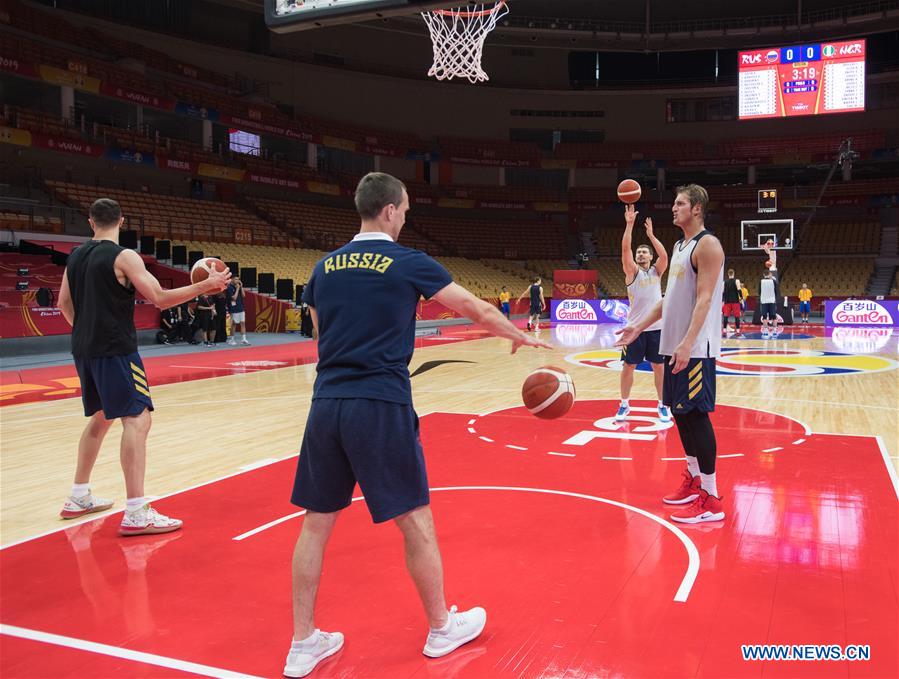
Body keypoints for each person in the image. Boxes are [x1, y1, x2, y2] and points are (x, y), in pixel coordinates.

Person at [284, 173, 551, 678]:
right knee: (415, 519)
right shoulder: (406, 261)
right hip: (379, 403)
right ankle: (440, 627)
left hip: (326, 403)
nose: (406, 217)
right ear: (388, 210)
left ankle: (302, 644)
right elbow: (471, 306)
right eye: (404, 209)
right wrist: (516, 334)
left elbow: (321, 331)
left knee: (315, 524)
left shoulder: (323, 266)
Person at [57, 198, 230, 535]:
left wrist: (85, 332)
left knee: (102, 416)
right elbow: (160, 298)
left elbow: (64, 302)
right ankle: (136, 512)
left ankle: (78, 496)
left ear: (91, 223)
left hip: (84, 347)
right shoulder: (124, 256)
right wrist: (204, 286)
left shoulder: (75, 256)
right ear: (122, 221)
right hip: (115, 348)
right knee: (137, 418)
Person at [614, 184, 726, 524]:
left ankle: (712, 497)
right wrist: (638, 327)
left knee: (696, 416)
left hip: (695, 348)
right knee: (680, 415)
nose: (673, 208)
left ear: (696, 208)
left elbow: (705, 298)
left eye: (680, 204)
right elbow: (668, 301)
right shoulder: (679, 246)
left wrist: (688, 342)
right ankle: (694, 480)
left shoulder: (707, 245)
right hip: (672, 344)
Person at [615, 204, 670, 423]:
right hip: (635, 329)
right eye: (639, 252)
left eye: (644, 251)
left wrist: (651, 235)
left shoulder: (657, 271)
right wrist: (629, 225)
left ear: (650, 256)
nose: (640, 253)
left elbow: (665, 255)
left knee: (659, 367)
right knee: (629, 366)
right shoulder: (632, 272)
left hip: (656, 328)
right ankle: (624, 403)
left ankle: (662, 404)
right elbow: (625, 250)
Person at [227, 277, 250, 345]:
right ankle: (231, 339)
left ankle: (244, 339)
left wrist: (241, 287)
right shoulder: (229, 287)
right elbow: (234, 298)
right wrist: (237, 289)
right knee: (234, 324)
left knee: (242, 323)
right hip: (234, 308)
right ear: (232, 279)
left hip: (241, 308)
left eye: (238, 279)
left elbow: (243, 295)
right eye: (236, 279)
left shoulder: (239, 286)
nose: (238, 281)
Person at [721, 269, 743, 337]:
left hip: (727, 301)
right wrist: (741, 298)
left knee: (725, 316)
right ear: (733, 273)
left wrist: (723, 300)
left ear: (728, 274)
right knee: (737, 317)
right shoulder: (737, 281)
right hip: (735, 301)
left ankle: (724, 331)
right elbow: (739, 290)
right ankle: (738, 331)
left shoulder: (724, 282)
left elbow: (722, 292)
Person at [759, 270, 777, 336]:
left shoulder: (761, 281)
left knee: (764, 316)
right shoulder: (773, 281)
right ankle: (775, 330)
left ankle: (766, 330)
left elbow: (759, 292)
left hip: (764, 300)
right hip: (772, 300)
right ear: (769, 274)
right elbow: (776, 291)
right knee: (774, 315)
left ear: (764, 275)